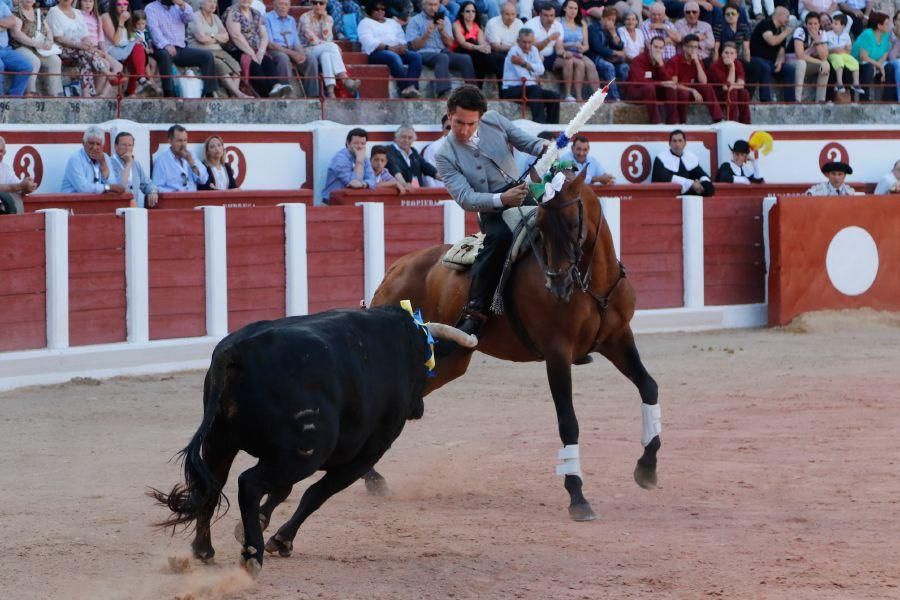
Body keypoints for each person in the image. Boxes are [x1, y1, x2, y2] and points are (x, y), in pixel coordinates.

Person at [433, 85, 549, 336]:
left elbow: (526, 142)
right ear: (449, 114)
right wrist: (501, 199)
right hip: (491, 208)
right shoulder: (444, 154)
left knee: (558, 222)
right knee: (498, 240)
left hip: (523, 193)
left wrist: (544, 147)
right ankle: (474, 310)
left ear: (481, 117)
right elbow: (465, 197)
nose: (464, 130)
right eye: (459, 123)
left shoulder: (495, 120)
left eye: (471, 124)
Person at [144, 0, 219, 97]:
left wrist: (182, 4)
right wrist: (166, 45)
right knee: (165, 55)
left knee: (207, 56)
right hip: (160, 47)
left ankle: (209, 93)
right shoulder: (151, 8)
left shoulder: (178, 7)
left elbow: (190, 18)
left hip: (181, 48)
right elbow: (154, 30)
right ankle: (169, 93)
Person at [406, 0, 476, 98]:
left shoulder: (445, 20)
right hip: (423, 53)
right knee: (442, 58)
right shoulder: (415, 20)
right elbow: (413, 47)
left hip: (442, 51)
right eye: (430, 5)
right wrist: (427, 34)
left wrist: (442, 31)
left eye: (435, 5)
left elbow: (450, 44)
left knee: (465, 58)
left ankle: (473, 91)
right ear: (423, 5)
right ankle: (444, 92)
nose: (433, 8)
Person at [47, 0, 116, 96]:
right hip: (61, 49)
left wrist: (91, 47)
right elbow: (58, 38)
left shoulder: (77, 12)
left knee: (85, 59)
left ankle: (86, 94)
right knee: (84, 53)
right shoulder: (54, 11)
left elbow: (85, 36)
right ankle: (107, 73)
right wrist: (78, 45)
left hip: (80, 50)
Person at [357, 0, 422, 98]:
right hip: (377, 53)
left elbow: (401, 37)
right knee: (393, 56)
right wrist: (389, 48)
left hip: (396, 50)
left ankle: (411, 87)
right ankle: (404, 87)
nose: (380, 11)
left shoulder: (392, 22)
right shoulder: (365, 23)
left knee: (416, 56)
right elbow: (368, 42)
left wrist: (402, 47)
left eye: (383, 9)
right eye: (377, 9)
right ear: (370, 10)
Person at [188, 0, 251, 98]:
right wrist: (217, 38)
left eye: (215, 2)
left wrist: (212, 35)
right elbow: (202, 39)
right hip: (202, 51)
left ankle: (232, 96)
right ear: (201, 3)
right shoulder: (195, 16)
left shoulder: (216, 17)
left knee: (236, 68)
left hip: (218, 50)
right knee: (222, 67)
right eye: (210, 2)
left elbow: (226, 38)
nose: (213, 5)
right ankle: (238, 94)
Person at [500, 27, 561, 124]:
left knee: (553, 96)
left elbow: (541, 70)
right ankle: (539, 122)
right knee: (535, 89)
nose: (527, 45)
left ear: (533, 41)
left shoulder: (534, 50)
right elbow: (524, 76)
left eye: (529, 42)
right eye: (524, 42)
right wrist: (533, 70)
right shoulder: (514, 51)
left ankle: (552, 126)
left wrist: (525, 64)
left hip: (528, 88)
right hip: (510, 89)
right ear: (518, 41)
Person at [299, 0, 358, 97]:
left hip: (323, 50)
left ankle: (330, 91)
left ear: (326, 4)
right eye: (314, 2)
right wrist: (333, 46)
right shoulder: (305, 17)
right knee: (332, 46)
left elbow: (328, 38)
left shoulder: (329, 19)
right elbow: (312, 40)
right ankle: (344, 78)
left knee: (326, 55)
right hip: (306, 50)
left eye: (321, 3)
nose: (317, 5)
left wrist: (324, 20)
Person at [102, 0, 158, 96]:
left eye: (125, 4)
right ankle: (138, 83)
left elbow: (130, 37)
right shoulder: (106, 17)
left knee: (138, 50)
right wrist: (121, 22)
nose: (123, 7)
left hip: (125, 51)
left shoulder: (129, 17)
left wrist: (136, 39)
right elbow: (115, 42)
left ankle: (135, 85)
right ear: (113, 5)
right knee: (137, 47)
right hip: (113, 52)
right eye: (119, 4)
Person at [663, 34, 723, 123]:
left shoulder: (697, 60)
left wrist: (697, 62)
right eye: (690, 46)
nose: (693, 49)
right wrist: (692, 90)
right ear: (684, 47)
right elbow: (673, 84)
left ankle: (718, 119)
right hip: (678, 91)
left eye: (695, 47)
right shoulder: (675, 61)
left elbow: (704, 81)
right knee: (684, 93)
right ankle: (682, 122)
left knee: (707, 87)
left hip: (691, 90)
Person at [9, 0, 64, 97]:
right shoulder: (16, 12)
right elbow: (16, 34)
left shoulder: (37, 12)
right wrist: (35, 43)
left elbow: (48, 30)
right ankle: (30, 92)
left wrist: (49, 41)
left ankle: (55, 94)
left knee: (55, 60)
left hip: (38, 48)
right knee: (34, 61)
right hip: (20, 46)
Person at [556, 0, 601, 102]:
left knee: (591, 65)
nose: (573, 11)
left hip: (578, 52)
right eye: (570, 8)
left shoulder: (582, 23)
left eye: (575, 8)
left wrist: (582, 48)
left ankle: (598, 96)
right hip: (564, 52)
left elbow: (586, 46)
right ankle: (579, 97)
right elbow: (556, 44)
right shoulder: (558, 21)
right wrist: (571, 45)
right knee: (580, 64)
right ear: (564, 8)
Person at [61, 126, 127, 194]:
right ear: (83, 143)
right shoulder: (76, 158)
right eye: (91, 143)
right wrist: (107, 187)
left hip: (95, 202)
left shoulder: (105, 157)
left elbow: (113, 184)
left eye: (98, 144)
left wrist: (103, 164)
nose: (94, 147)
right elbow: (83, 188)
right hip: (72, 202)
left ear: (102, 146)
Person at [623, 35, 671, 123]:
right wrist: (659, 83)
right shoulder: (638, 60)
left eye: (661, 48)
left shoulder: (662, 61)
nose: (658, 50)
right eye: (655, 47)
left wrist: (661, 65)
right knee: (649, 87)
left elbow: (667, 81)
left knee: (671, 88)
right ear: (650, 46)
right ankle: (656, 122)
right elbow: (639, 81)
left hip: (652, 93)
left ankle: (674, 122)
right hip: (634, 93)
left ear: (663, 50)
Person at [749, 6, 793, 101]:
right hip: (756, 59)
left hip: (771, 61)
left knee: (789, 69)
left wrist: (780, 62)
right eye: (787, 17)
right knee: (766, 67)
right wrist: (786, 33)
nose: (788, 20)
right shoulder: (766, 24)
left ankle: (791, 100)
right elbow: (772, 41)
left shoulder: (781, 31)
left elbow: (782, 50)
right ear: (779, 15)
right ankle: (766, 100)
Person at [651, 129, 714, 196]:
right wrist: (691, 183)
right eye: (674, 141)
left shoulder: (690, 157)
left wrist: (703, 185)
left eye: (680, 141)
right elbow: (664, 178)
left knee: (709, 188)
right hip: (668, 194)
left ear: (685, 143)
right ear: (669, 144)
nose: (677, 144)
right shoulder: (661, 158)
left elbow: (701, 174)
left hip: (688, 195)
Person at [785, 11, 830, 103]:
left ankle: (820, 99)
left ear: (819, 24)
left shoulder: (822, 33)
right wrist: (820, 62)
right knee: (802, 63)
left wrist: (817, 41)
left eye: (815, 24)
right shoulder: (800, 31)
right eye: (810, 24)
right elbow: (800, 55)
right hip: (792, 61)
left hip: (807, 61)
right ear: (806, 24)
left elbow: (824, 57)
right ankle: (797, 99)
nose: (813, 26)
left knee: (826, 65)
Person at [322, 127, 377, 203]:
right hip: (333, 203)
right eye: (356, 143)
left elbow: (373, 180)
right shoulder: (340, 158)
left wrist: (364, 184)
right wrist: (359, 161)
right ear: (348, 143)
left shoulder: (364, 158)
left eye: (363, 143)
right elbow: (353, 183)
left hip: (353, 202)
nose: (360, 146)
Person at [152, 124, 208, 192]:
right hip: (173, 200)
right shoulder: (161, 161)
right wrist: (176, 192)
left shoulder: (191, 156)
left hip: (193, 200)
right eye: (179, 141)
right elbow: (157, 187)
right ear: (170, 141)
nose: (183, 144)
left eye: (185, 140)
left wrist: (192, 163)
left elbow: (203, 180)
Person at [586, 7, 627, 100]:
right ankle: (615, 98)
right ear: (603, 17)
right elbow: (597, 47)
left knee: (624, 67)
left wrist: (613, 33)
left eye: (613, 20)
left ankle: (627, 96)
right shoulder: (593, 28)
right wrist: (615, 52)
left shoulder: (612, 29)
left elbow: (620, 46)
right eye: (609, 19)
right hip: (596, 57)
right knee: (608, 67)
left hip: (609, 57)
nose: (611, 22)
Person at [451, 1, 496, 84]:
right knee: (474, 46)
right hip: (459, 50)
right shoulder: (456, 25)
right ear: (462, 13)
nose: (471, 13)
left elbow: (481, 43)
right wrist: (477, 47)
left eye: (473, 11)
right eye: (467, 11)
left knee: (484, 56)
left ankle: (479, 86)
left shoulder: (477, 26)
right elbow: (462, 43)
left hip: (474, 52)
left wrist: (486, 47)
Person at [110, 131, 158, 208]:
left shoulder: (135, 164)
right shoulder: (109, 163)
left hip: (134, 208)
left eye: (130, 145)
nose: (127, 148)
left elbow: (147, 183)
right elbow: (120, 186)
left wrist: (152, 191)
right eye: (124, 145)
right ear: (116, 146)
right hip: (116, 208)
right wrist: (128, 163)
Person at [708, 41, 751, 123]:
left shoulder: (738, 63)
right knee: (732, 92)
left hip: (729, 92)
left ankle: (746, 123)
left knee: (744, 92)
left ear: (736, 55)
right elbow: (726, 87)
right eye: (726, 53)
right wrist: (732, 67)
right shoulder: (715, 66)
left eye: (732, 53)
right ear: (722, 54)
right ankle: (731, 122)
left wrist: (733, 66)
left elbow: (741, 84)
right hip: (717, 94)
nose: (729, 56)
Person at [853, 12, 892, 100]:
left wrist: (877, 65)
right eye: (886, 24)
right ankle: (864, 100)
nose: (889, 26)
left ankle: (888, 100)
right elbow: (863, 56)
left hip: (873, 63)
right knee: (869, 68)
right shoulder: (868, 34)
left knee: (890, 68)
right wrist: (877, 65)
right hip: (858, 63)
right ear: (879, 26)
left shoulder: (886, 35)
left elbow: (884, 55)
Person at [823, 13, 864, 97]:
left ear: (843, 26)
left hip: (843, 54)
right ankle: (839, 83)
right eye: (833, 23)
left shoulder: (846, 36)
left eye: (836, 24)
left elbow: (848, 49)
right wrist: (834, 50)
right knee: (839, 61)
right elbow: (825, 49)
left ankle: (856, 84)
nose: (833, 25)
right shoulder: (827, 34)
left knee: (855, 62)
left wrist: (845, 51)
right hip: (832, 55)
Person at [524, 3, 564, 87]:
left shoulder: (558, 25)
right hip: (533, 55)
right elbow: (531, 48)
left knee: (570, 62)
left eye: (552, 15)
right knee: (537, 57)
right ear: (540, 15)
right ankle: (534, 88)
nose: (549, 18)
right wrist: (549, 39)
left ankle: (568, 95)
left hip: (551, 56)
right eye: (546, 15)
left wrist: (565, 54)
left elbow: (559, 48)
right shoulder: (530, 25)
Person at [0, 136, 37, 214]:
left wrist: (27, 187)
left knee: (16, 199)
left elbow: (18, 187)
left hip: (4, 211)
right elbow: (17, 186)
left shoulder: (6, 168)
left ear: (4, 152)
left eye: (0, 151)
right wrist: (20, 186)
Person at [485, 1, 521, 76]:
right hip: (496, 53)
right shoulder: (493, 23)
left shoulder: (519, 23)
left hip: (513, 51)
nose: (510, 17)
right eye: (507, 14)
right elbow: (496, 47)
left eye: (513, 14)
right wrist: (513, 46)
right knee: (501, 59)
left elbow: (522, 43)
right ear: (501, 13)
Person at [422, 113, 451, 187]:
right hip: (441, 193)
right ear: (442, 128)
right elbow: (428, 176)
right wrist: (435, 196)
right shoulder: (433, 148)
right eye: (448, 127)